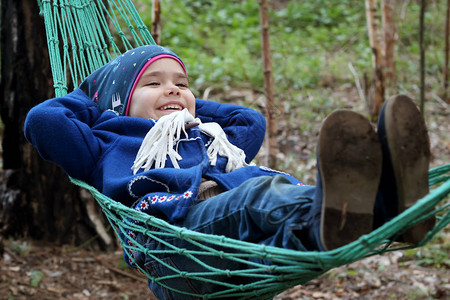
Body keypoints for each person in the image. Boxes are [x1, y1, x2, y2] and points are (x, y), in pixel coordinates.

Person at [24, 44, 434, 299]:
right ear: (115, 103)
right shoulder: (105, 143)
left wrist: (191, 111)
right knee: (261, 194)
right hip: (181, 249)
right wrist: (93, 97)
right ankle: (331, 213)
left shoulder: (210, 137)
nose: (173, 89)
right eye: (152, 83)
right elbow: (43, 121)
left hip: (245, 253)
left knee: (271, 195)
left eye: (182, 83)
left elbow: (250, 120)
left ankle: (390, 213)